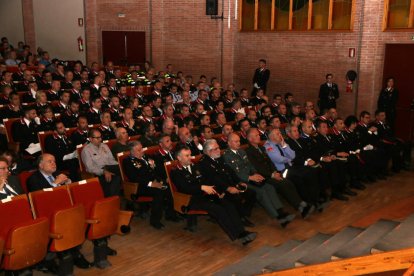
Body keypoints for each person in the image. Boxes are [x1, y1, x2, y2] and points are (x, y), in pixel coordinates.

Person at [171, 147, 257, 245]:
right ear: (179, 158)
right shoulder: (175, 172)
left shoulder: (195, 167)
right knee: (218, 209)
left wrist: (218, 192)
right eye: (187, 156)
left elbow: (208, 181)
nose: (190, 157)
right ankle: (238, 236)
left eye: (190, 155)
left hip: (206, 195)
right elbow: (184, 188)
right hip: (191, 199)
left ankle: (243, 232)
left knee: (228, 204)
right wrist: (201, 187)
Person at [223, 133, 297, 226]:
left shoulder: (241, 151)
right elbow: (234, 173)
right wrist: (250, 177)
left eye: (239, 141)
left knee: (269, 187)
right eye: (235, 141)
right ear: (229, 143)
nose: (238, 143)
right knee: (261, 191)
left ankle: (281, 212)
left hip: (252, 177)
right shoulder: (227, 156)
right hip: (241, 181)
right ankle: (278, 217)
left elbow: (250, 165)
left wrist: (256, 173)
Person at [245, 128, 313, 218]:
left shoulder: (261, 147)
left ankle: (302, 207)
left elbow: (270, 162)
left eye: (258, 134)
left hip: (272, 173)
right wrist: (272, 174)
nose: (259, 136)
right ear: (250, 139)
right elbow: (258, 167)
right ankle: (302, 205)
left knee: (288, 183)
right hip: (263, 176)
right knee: (284, 183)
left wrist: (274, 172)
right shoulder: (249, 152)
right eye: (256, 135)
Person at [198, 139, 256, 227]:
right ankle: (241, 218)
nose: (219, 150)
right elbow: (214, 180)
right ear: (208, 152)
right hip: (217, 190)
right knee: (236, 198)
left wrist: (238, 182)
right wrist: (228, 188)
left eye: (218, 148)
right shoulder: (204, 163)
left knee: (251, 194)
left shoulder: (219, 157)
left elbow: (230, 171)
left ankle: (242, 214)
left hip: (228, 184)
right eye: (216, 149)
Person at [265, 128, 321, 211]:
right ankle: (309, 202)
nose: (280, 135)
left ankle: (314, 199)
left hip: (291, 167)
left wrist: (284, 145)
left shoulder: (281, 143)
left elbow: (293, 155)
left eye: (280, 133)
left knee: (311, 171)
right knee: (300, 177)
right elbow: (279, 159)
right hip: (283, 171)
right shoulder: (268, 146)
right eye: (278, 134)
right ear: (272, 137)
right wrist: (289, 159)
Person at [122, 141, 170, 229]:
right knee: (159, 192)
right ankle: (155, 220)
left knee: (168, 186)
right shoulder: (128, 162)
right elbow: (134, 178)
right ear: (132, 152)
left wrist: (162, 180)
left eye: (142, 148)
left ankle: (170, 214)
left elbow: (154, 171)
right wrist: (151, 184)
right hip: (140, 187)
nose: (142, 151)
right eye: (139, 150)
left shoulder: (146, 157)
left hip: (153, 182)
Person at [81, 129, 121, 197]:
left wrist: (118, 166)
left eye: (100, 137)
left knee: (123, 169)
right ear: (90, 139)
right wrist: (104, 171)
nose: (100, 139)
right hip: (98, 173)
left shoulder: (104, 146)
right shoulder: (86, 150)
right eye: (97, 138)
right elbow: (90, 168)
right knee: (116, 178)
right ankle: (113, 200)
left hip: (109, 168)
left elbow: (111, 160)